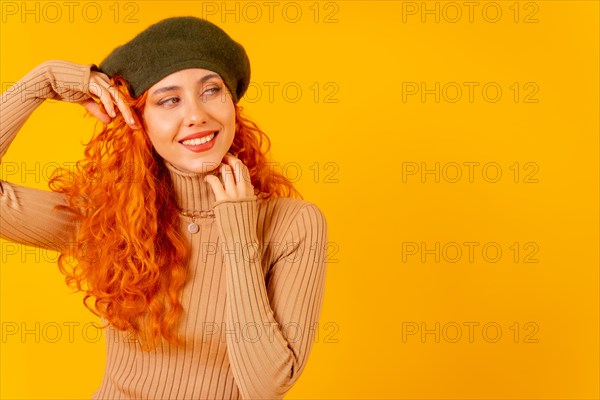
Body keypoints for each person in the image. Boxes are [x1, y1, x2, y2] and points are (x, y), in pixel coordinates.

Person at [0, 16, 328, 399]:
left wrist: (239, 233)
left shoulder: (293, 226)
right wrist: (43, 82)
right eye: (169, 100)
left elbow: (264, 386)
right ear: (138, 120)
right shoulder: (111, 216)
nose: (196, 115)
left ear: (232, 106)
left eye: (211, 91)